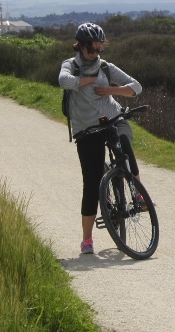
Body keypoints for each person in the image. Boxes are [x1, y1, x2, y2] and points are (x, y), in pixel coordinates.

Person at [59, 22, 144, 255]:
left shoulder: (106, 67)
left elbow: (136, 87)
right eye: (91, 50)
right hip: (87, 129)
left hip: (113, 117)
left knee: (125, 145)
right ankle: (87, 239)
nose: (96, 54)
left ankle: (138, 194)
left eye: (99, 49)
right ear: (80, 46)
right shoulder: (70, 65)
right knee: (92, 182)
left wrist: (110, 90)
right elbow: (63, 81)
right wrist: (86, 80)